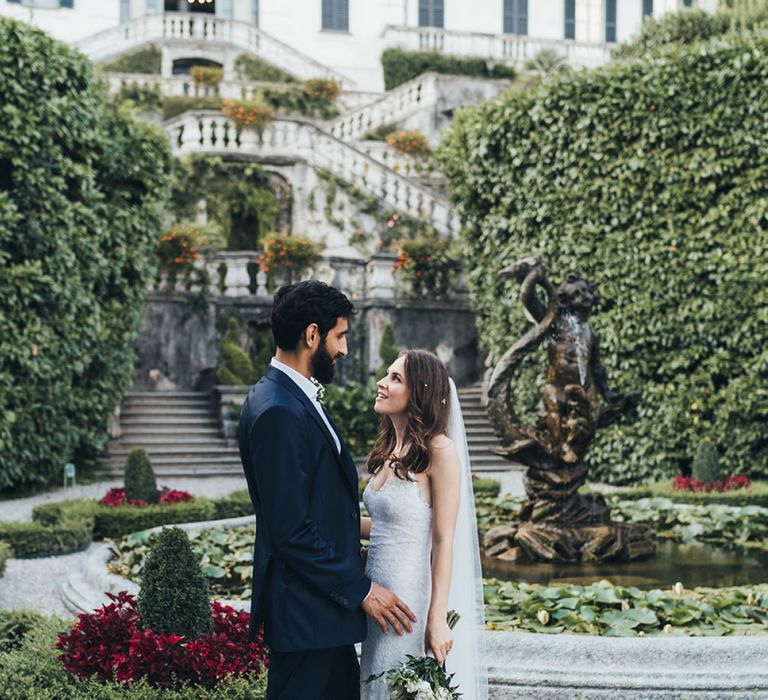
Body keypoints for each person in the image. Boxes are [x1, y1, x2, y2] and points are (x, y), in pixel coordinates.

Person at [238, 281, 416, 700]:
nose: (345, 349)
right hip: (304, 619)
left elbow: (316, 509)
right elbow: (290, 532)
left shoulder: (288, 398)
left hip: (322, 615)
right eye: (341, 336)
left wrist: (390, 534)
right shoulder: (278, 411)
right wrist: (364, 591)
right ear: (312, 335)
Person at [360, 349, 488, 699]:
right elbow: (392, 526)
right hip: (375, 597)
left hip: (408, 601)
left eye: (395, 379)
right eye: (387, 375)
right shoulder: (390, 447)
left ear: (419, 392)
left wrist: (437, 618)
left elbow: (445, 540)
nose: (382, 384)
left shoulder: (439, 451)